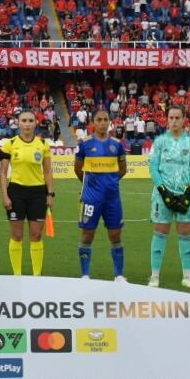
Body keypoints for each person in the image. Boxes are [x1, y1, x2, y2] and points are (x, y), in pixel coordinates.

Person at [146, 105, 190, 288]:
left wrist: (188, 193)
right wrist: (164, 192)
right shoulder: (160, 142)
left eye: (178, 117)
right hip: (162, 195)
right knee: (160, 232)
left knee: (186, 233)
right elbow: (153, 168)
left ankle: (187, 276)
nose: (174, 121)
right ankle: (154, 276)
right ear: (166, 119)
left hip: (184, 194)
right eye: (171, 117)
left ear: (184, 119)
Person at [74, 109, 129, 281]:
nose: (103, 122)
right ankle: (85, 275)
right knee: (88, 234)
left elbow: (123, 169)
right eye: (99, 119)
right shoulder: (85, 144)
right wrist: (90, 184)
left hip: (112, 198)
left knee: (115, 235)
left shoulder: (117, 144)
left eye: (106, 119)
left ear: (109, 122)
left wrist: (111, 181)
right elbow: (78, 168)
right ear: (93, 122)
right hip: (91, 198)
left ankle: (119, 275)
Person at [0, 110, 52, 276]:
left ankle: (37, 276)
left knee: (36, 235)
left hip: (37, 193)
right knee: (17, 234)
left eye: (30, 120)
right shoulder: (10, 144)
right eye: (24, 121)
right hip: (16, 193)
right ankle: (17, 275)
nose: (27, 124)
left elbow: (48, 171)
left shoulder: (43, 145)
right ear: (18, 123)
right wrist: (5, 195)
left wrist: (50, 194)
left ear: (36, 123)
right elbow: (3, 172)